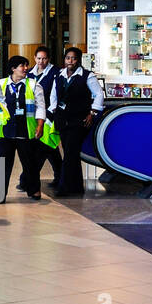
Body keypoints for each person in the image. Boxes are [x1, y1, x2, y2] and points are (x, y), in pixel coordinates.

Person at [0, 55, 49, 203]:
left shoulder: (34, 85)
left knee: (30, 163)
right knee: (2, 163)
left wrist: (40, 125)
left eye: (26, 65)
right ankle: (0, 193)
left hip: (25, 131)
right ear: (13, 69)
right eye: (22, 65)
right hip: (6, 131)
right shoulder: (0, 84)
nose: (25, 68)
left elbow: (40, 107)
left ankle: (34, 189)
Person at [48, 46, 105, 197]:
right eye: (68, 58)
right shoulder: (59, 75)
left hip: (79, 121)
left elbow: (99, 94)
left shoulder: (87, 76)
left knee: (70, 154)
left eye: (73, 58)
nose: (70, 61)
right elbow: (53, 95)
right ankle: (76, 186)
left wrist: (92, 112)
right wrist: (54, 109)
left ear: (78, 60)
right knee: (70, 153)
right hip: (62, 120)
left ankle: (64, 187)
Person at [20, 46, 63, 194]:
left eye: (44, 58)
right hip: (34, 116)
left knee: (43, 149)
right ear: (34, 58)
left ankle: (26, 179)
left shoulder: (56, 73)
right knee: (50, 149)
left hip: (49, 116)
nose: (41, 61)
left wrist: (49, 115)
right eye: (38, 58)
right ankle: (59, 176)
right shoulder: (30, 73)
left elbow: (56, 97)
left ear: (48, 59)